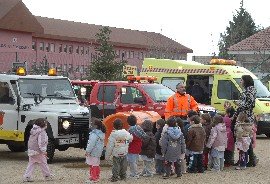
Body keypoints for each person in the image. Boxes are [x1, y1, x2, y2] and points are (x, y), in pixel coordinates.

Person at [233, 75, 257, 167]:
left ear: (246, 81)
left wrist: (239, 104)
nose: (241, 82)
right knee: (246, 139)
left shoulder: (248, 91)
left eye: (241, 80)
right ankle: (249, 159)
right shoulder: (251, 90)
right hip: (246, 116)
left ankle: (248, 159)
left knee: (243, 138)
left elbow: (249, 105)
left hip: (245, 117)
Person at [126, 115, 147, 179]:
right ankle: (135, 173)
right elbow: (144, 136)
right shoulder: (138, 127)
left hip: (132, 147)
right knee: (135, 161)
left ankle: (134, 174)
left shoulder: (130, 130)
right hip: (138, 146)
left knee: (132, 162)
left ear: (128, 122)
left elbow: (128, 139)